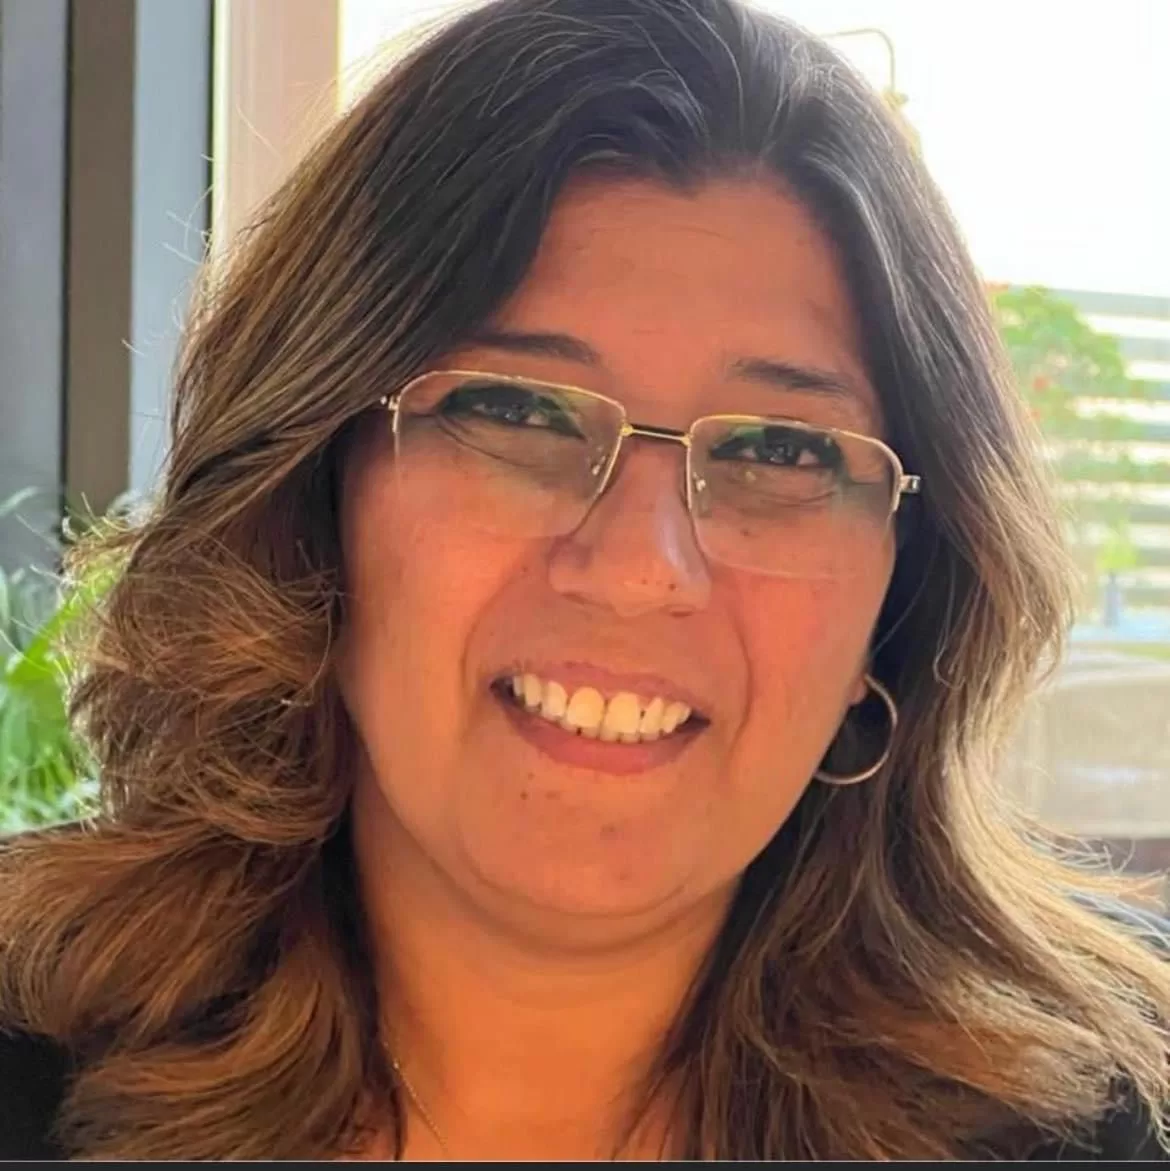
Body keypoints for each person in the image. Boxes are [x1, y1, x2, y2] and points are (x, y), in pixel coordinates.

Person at [1, 0, 1167, 1160]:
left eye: (780, 450)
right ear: (312, 499)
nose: (639, 569)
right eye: (517, 411)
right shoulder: (31, 1058)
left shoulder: (1098, 1120)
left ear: (898, 603)